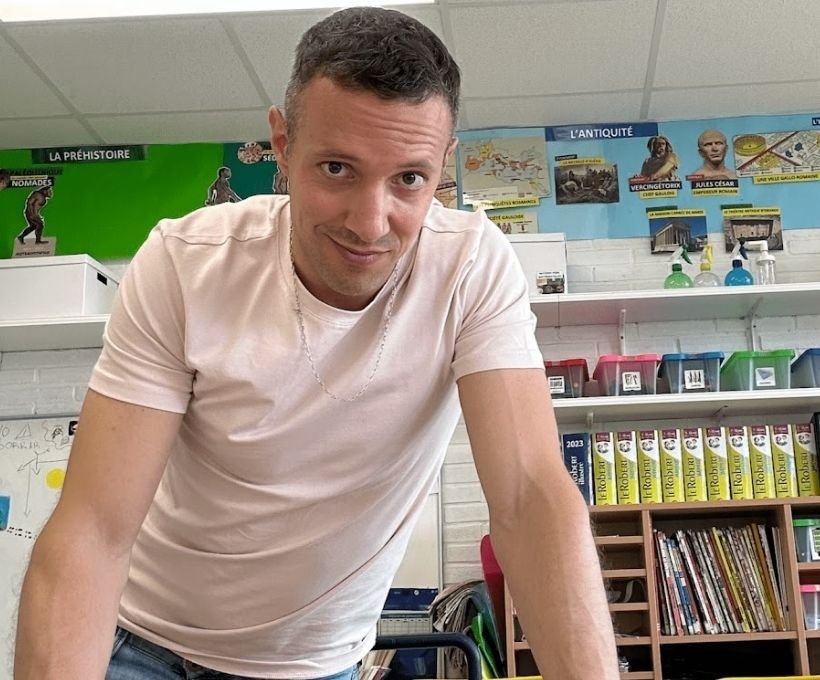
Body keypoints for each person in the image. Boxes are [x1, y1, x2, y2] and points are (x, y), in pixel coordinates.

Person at [14, 7, 618, 680]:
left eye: (409, 179)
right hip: (145, 645)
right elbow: (94, 530)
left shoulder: (472, 267)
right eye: (336, 168)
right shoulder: (186, 266)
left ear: (443, 165)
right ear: (282, 141)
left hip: (315, 665)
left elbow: (530, 498)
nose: (370, 223)